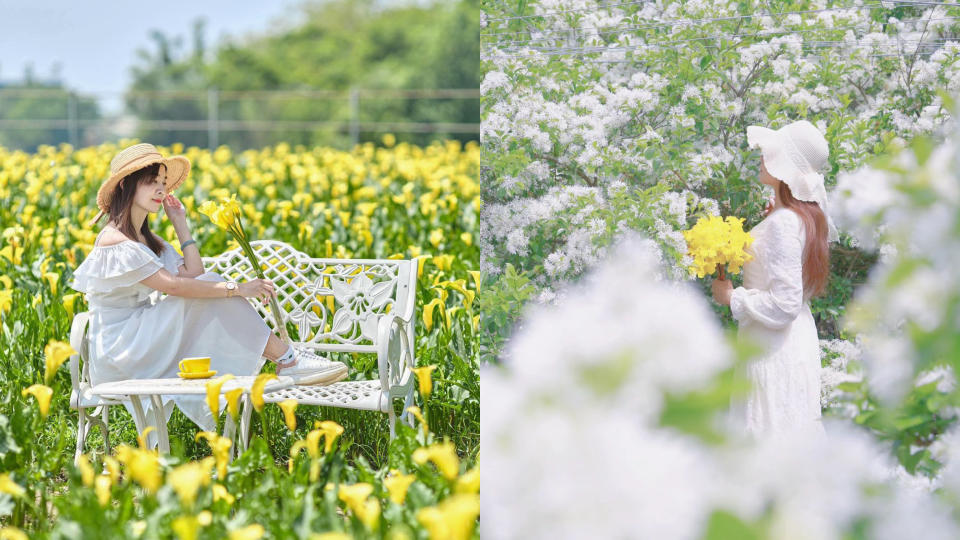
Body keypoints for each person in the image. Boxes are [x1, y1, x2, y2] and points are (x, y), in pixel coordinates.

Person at [68, 143, 347, 445]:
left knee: (210, 289)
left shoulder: (146, 239)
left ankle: (287, 358)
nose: (160, 189)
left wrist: (181, 225)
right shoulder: (114, 240)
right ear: (126, 184)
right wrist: (237, 289)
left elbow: (194, 274)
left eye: (164, 182)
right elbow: (174, 286)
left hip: (141, 334)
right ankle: (288, 359)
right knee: (212, 292)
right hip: (120, 346)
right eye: (152, 181)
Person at [711, 120, 838, 441]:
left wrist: (731, 297)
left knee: (768, 438)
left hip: (773, 346)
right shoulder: (801, 218)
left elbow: (784, 304)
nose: (761, 156)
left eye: (771, 152)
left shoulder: (785, 223)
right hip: (789, 343)